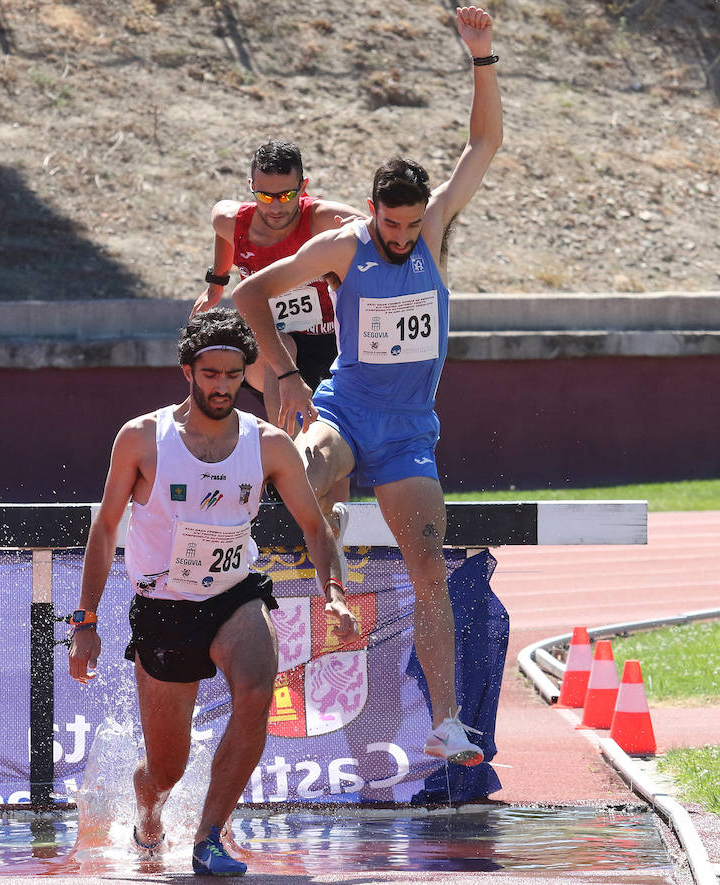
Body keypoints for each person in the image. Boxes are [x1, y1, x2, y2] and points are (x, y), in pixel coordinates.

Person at [231, 6, 502, 768]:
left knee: (429, 567)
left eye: (413, 225)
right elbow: (249, 295)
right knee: (299, 462)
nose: (403, 235)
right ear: (373, 209)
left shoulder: (436, 231)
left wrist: (481, 57)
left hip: (410, 430)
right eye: (393, 222)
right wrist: (284, 374)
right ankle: (291, 575)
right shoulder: (344, 246)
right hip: (345, 410)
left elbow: (485, 144)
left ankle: (446, 722)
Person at [68, 307, 357, 875]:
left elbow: (315, 528)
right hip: (165, 608)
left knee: (255, 689)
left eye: (232, 375)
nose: (221, 386)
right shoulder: (142, 438)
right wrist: (85, 622)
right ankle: (149, 814)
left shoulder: (268, 444)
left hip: (235, 594)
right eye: (210, 374)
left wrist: (336, 593)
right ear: (187, 372)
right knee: (165, 769)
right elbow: (104, 530)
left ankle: (209, 837)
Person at [193, 140, 365, 431]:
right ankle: (285, 455)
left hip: (331, 341)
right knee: (277, 345)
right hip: (271, 346)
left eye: (286, 195)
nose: (275, 206)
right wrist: (217, 283)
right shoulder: (232, 222)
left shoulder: (323, 219)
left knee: (333, 454)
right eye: (264, 195)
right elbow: (221, 230)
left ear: (303, 186)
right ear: (251, 187)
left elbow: (382, 237)